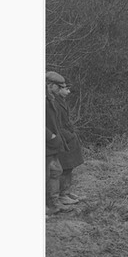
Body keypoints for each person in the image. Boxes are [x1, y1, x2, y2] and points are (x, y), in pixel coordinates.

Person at [45, 71, 74, 215]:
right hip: (47, 143)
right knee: (49, 173)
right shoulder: (45, 99)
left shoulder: (50, 98)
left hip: (52, 144)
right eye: (59, 86)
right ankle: (51, 205)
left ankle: (54, 203)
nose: (62, 89)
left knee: (55, 171)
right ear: (50, 85)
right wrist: (51, 136)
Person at [55, 76, 85, 205]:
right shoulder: (53, 103)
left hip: (67, 137)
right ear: (57, 89)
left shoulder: (60, 101)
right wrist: (69, 135)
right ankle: (61, 195)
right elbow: (55, 124)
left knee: (69, 166)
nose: (68, 92)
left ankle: (66, 192)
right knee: (64, 167)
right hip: (61, 139)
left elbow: (66, 121)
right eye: (66, 89)